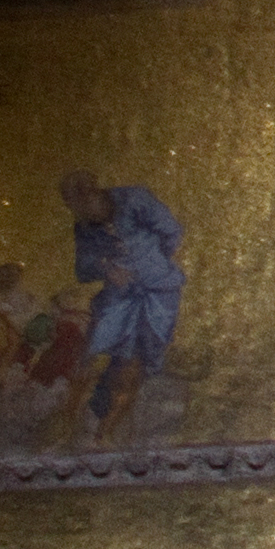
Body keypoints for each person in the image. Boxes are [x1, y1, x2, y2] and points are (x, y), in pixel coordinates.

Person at [60, 173, 188, 437]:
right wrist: (106, 267)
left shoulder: (134, 199)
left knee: (138, 360)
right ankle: (68, 426)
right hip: (118, 296)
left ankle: (105, 433)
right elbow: (83, 268)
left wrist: (150, 264)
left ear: (93, 194)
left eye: (81, 204)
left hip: (158, 292)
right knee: (93, 352)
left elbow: (171, 231)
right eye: (73, 207)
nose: (79, 213)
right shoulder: (84, 227)